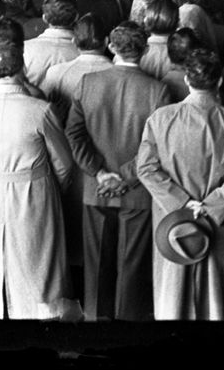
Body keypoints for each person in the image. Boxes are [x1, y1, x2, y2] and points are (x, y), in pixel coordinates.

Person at [134, 46, 224, 320]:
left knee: (172, 294)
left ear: (187, 80)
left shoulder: (160, 119)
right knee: (218, 299)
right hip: (221, 221)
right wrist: (209, 207)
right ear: (220, 81)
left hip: (172, 221)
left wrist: (182, 203)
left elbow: (145, 168)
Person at [67, 21, 174, 321]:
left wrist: (100, 173)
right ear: (145, 49)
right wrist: (125, 176)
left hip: (96, 188)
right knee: (132, 265)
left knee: (96, 264)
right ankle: (128, 324)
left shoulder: (88, 83)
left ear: (111, 47)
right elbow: (157, 146)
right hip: (138, 191)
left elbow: (74, 134)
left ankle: (95, 322)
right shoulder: (158, 90)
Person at [0, 39, 75, 319]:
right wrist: (54, 190)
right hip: (33, 188)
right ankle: (38, 312)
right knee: (36, 257)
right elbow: (63, 162)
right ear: (23, 70)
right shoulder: (40, 109)